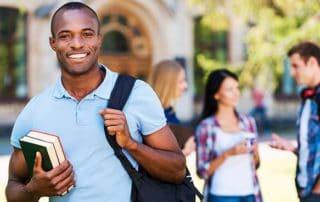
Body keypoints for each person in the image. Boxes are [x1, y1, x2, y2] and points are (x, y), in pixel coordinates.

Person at [5, 2, 186, 202]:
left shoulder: (137, 94)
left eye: (87, 34)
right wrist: (34, 189)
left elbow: (177, 170)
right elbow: (13, 185)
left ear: (99, 40)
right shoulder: (35, 110)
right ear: (52, 42)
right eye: (65, 36)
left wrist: (131, 145)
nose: (77, 44)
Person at [195, 69, 262, 202]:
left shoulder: (248, 122)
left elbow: (256, 164)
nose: (236, 93)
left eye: (237, 88)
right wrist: (228, 153)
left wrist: (255, 153)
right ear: (216, 95)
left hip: (250, 193)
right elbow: (202, 171)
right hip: (221, 195)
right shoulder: (206, 127)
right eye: (229, 89)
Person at [270, 41, 320, 202]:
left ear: (312, 63)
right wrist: (293, 148)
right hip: (305, 188)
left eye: (296, 66)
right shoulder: (306, 98)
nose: (292, 73)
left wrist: (317, 190)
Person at [148, 60, 195, 156]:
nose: (185, 86)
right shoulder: (151, 115)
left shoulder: (169, 111)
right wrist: (186, 152)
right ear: (167, 83)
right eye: (181, 81)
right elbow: (157, 160)